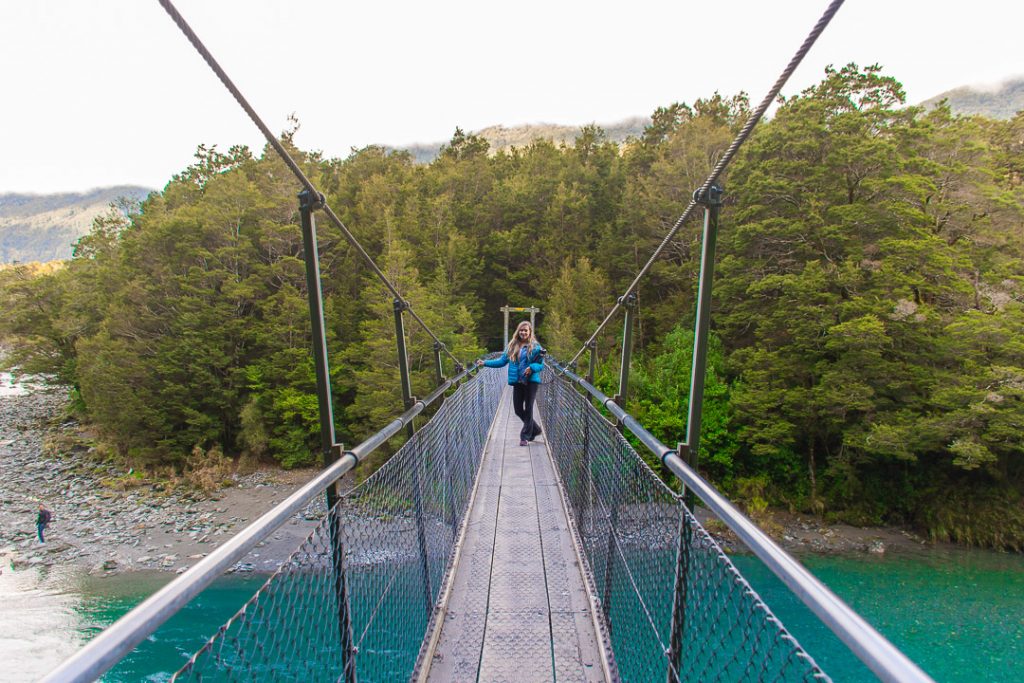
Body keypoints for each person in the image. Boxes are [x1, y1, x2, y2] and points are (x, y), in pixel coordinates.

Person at [478, 320, 545, 446]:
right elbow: (501, 362)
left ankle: (524, 437)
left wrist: (532, 368)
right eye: (521, 330)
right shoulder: (512, 346)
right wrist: (485, 363)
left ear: (530, 332)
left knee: (529, 407)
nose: (523, 332)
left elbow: (540, 365)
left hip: (531, 381)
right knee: (518, 409)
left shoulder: (535, 347)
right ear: (518, 331)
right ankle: (535, 429)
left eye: (526, 330)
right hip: (518, 381)